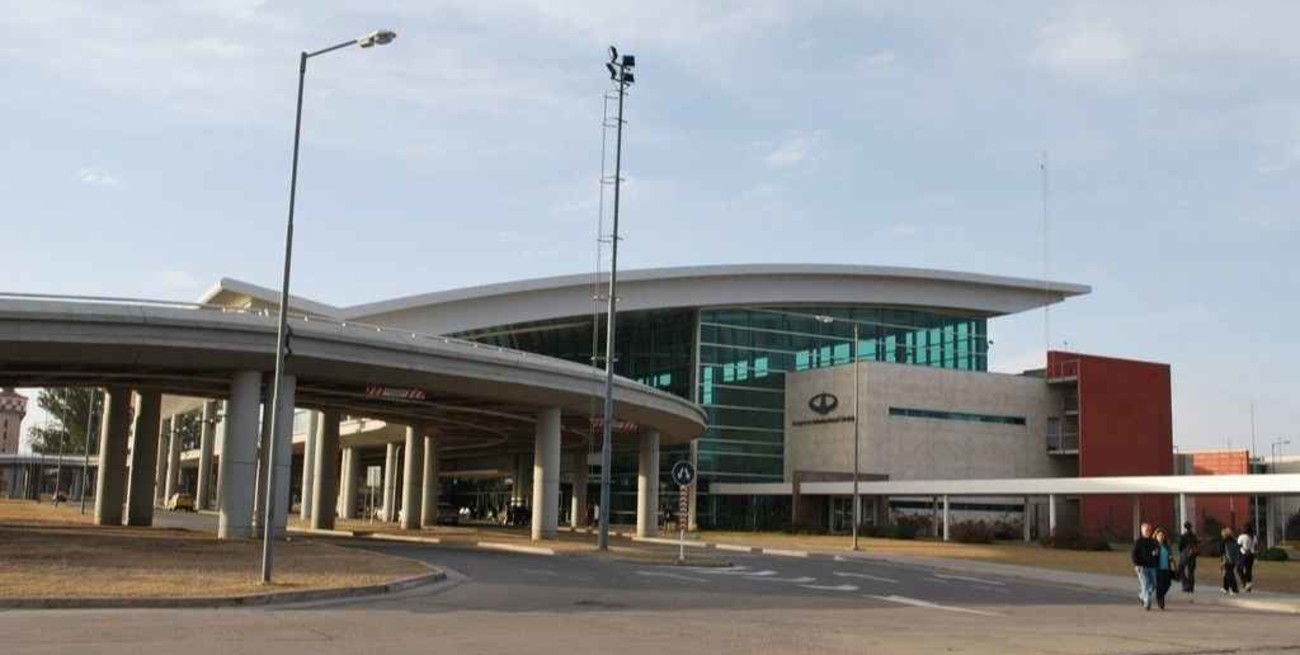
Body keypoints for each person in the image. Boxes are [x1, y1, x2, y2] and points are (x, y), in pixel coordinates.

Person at [1131, 522, 1160, 610]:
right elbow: (1134, 555)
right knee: (1145, 584)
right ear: (1142, 531)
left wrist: (1156, 555)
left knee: (1154, 584)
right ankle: (1147, 603)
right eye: (1146, 530)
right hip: (1142, 567)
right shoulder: (1138, 542)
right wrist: (1137, 565)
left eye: (1149, 530)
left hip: (1152, 566)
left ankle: (1142, 595)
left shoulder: (1154, 542)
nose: (1148, 532)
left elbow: (1157, 553)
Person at [1153, 528, 1176, 610]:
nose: (1161, 537)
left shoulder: (1167, 546)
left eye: (1162, 536)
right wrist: (1153, 554)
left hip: (1166, 568)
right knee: (1160, 585)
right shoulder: (1154, 546)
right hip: (1158, 569)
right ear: (1156, 536)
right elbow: (1150, 556)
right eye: (1159, 535)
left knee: (1167, 584)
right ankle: (1160, 600)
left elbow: (1170, 556)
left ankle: (1160, 595)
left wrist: (1172, 560)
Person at [1177, 521, 1199, 595]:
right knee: (1191, 572)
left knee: (1180, 569)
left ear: (1185, 527)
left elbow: (1180, 547)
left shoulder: (1183, 536)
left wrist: (1183, 551)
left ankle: (1185, 584)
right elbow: (1196, 545)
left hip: (1185, 555)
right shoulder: (1194, 536)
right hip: (1193, 556)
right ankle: (1191, 587)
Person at [1220, 527, 1241, 595]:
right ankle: (1225, 588)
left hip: (1227, 559)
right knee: (1228, 573)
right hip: (1234, 559)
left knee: (1229, 574)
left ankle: (1233, 589)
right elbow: (1238, 549)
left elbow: (1222, 552)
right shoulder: (1234, 541)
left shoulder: (1224, 542)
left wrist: (1222, 561)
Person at [1237, 525, 1257, 592]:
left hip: (1244, 554)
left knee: (1239, 569)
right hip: (1251, 555)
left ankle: (1245, 583)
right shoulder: (1254, 536)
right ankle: (1249, 585)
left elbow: (1238, 544)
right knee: (1249, 570)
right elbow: (1255, 546)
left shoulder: (1242, 536)